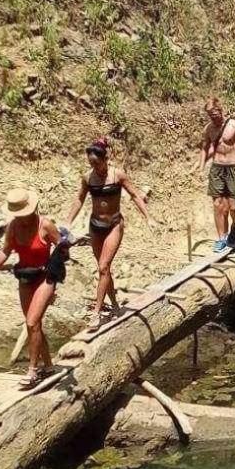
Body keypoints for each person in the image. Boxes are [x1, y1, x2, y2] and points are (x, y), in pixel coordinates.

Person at [0, 187, 66, 388]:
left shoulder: (46, 225)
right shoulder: (13, 227)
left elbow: (62, 248)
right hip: (25, 277)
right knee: (32, 325)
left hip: (45, 277)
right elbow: (5, 251)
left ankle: (32, 370)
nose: (23, 218)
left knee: (33, 322)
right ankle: (49, 366)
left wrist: (56, 271)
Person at [66, 137, 150, 332]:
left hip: (114, 225)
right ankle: (114, 305)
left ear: (106, 159)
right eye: (91, 164)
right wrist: (68, 220)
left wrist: (148, 217)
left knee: (104, 266)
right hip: (95, 226)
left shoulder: (117, 175)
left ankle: (96, 313)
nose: (95, 167)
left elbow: (135, 195)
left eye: (97, 163)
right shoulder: (88, 178)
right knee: (104, 268)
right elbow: (79, 199)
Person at [199, 97, 235, 253]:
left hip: (233, 168)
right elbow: (204, 148)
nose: (213, 118)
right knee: (217, 205)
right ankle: (221, 238)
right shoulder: (208, 129)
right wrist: (201, 167)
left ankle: (234, 226)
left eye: (215, 114)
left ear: (220, 111)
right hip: (217, 168)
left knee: (233, 206)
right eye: (210, 116)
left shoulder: (234, 125)